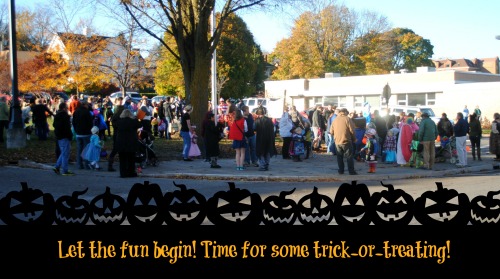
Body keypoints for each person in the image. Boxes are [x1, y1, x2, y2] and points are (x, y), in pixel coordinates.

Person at [114, 109, 142, 178]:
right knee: (131, 159)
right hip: (131, 142)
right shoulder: (133, 122)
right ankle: (131, 172)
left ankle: (123, 173)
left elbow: (115, 125)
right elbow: (140, 125)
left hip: (121, 142)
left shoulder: (119, 122)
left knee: (122, 159)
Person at [330, 108, 357, 175]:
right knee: (349, 156)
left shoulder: (335, 120)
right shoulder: (347, 119)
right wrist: (354, 139)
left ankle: (341, 171)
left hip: (337, 142)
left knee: (339, 157)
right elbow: (352, 130)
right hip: (346, 140)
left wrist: (336, 136)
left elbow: (331, 131)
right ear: (345, 112)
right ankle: (351, 171)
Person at [52, 102, 74, 176]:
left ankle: (57, 166)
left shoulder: (57, 115)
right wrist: (70, 135)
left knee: (64, 152)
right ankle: (65, 170)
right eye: (67, 108)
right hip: (64, 136)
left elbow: (54, 125)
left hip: (59, 136)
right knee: (65, 154)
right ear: (64, 108)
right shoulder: (65, 116)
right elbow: (67, 128)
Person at [72, 100, 93, 170]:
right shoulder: (87, 112)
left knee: (79, 149)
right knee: (86, 149)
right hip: (86, 133)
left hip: (78, 133)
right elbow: (90, 122)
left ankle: (79, 164)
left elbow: (73, 122)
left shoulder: (76, 112)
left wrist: (76, 129)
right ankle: (87, 164)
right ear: (85, 105)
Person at [254, 107, 276, 171]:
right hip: (269, 138)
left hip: (260, 138)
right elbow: (273, 129)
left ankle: (262, 165)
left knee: (260, 152)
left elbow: (254, 128)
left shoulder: (257, 121)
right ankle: (266, 164)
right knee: (267, 151)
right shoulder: (269, 120)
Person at [108, 97, 124, 172]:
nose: (121, 102)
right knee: (116, 149)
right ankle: (110, 165)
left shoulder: (121, 109)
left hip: (120, 132)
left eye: (121, 101)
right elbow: (114, 122)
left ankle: (118, 164)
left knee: (119, 149)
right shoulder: (117, 110)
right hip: (118, 133)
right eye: (119, 101)